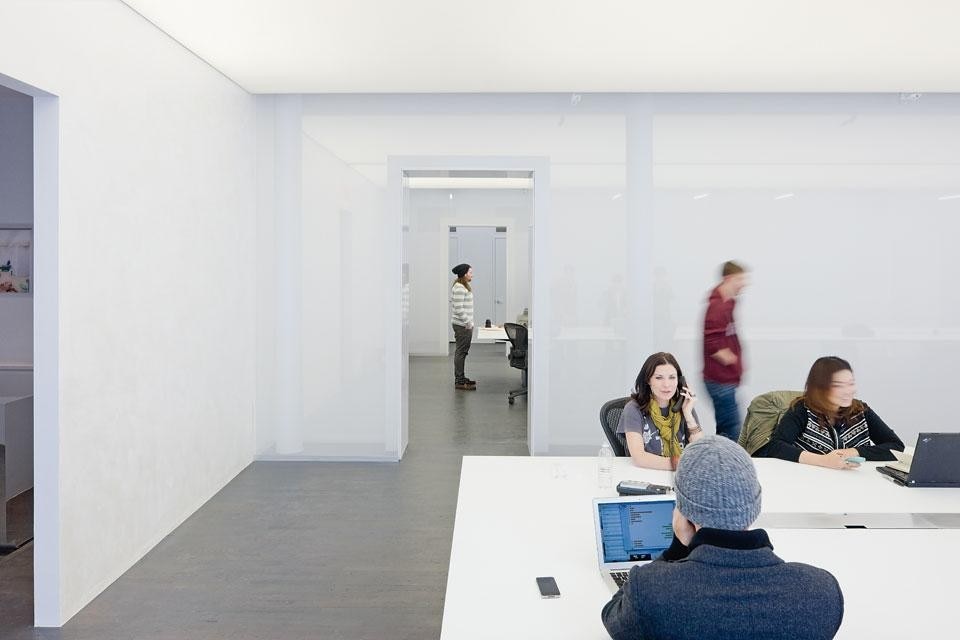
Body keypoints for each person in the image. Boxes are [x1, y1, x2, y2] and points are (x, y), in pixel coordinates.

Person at [601, 435, 844, 640]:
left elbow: (613, 617)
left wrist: (677, 549)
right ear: (754, 506)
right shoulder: (821, 592)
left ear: (683, 513)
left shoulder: (650, 589)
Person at [760, 356, 905, 468]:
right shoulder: (801, 409)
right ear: (820, 388)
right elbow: (776, 447)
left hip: (854, 485)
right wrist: (823, 460)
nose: (848, 391)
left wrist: (853, 451)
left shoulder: (861, 410)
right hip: (808, 483)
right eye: (839, 385)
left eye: (851, 384)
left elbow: (896, 446)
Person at [617, 352, 704, 470]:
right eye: (659, 378)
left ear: (680, 381)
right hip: (647, 475)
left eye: (672, 377)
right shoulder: (633, 409)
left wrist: (688, 414)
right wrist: (681, 465)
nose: (667, 384)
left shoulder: (683, 406)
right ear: (648, 380)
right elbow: (639, 457)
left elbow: (701, 451)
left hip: (681, 476)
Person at [703, 260, 749, 441]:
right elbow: (712, 343)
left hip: (726, 380)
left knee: (730, 431)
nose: (743, 284)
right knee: (731, 433)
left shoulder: (728, 304)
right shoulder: (717, 307)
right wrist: (730, 358)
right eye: (740, 279)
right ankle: (724, 466)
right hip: (720, 381)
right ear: (728, 279)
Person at [450, 263, 476, 390]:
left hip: (463, 325)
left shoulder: (462, 286)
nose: (472, 275)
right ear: (465, 274)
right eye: (470, 272)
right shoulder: (460, 287)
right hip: (462, 326)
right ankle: (459, 380)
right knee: (461, 352)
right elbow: (459, 308)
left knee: (462, 352)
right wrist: (468, 323)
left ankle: (461, 377)